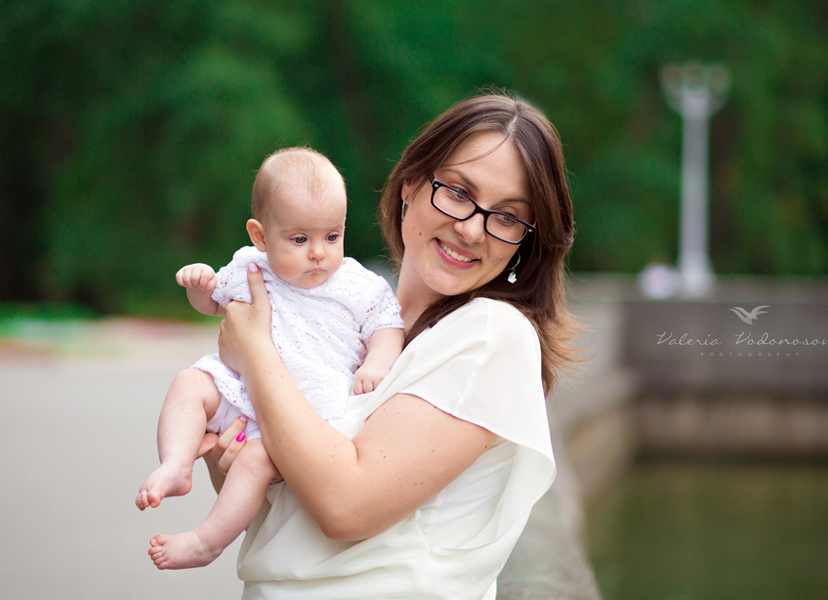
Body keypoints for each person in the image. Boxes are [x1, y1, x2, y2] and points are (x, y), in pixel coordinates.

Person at [199, 92, 578, 599]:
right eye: (459, 192)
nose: (470, 228)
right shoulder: (349, 325)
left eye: (507, 217)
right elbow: (279, 506)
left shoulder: (491, 335)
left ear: (524, 242)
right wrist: (226, 445)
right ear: (411, 186)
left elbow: (344, 505)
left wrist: (256, 354)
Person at [138, 147, 405, 570]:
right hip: (241, 391)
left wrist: (376, 363)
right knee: (189, 384)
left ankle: (208, 541)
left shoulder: (358, 284)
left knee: (256, 462)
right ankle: (176, 463)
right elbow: (213, 305)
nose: (319, 252)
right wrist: (199, 285)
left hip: (304, 410)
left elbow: (388, 327)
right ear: (260, 236)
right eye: (300, 239)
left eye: (332, 236)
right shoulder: (250, 266)